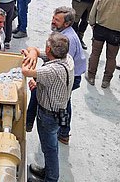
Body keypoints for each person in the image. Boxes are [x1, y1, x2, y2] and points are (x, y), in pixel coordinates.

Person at [25, 7, 86, 145]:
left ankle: (60, 132)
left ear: (67, 24)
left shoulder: (67, 40)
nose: (53, 21)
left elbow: (57, 66)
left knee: (60, 103)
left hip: (69, 77)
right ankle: (62, 132)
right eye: (53, 18)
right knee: (64, 103)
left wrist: (37, 80)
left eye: (57, 20)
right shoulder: (62, 34)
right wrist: (34, 52)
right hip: (68, 74)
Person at [22, 33, 74, 182]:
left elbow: (26, 71)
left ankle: (51, 178)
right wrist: (32, 53)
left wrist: (27, 58)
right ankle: (48, 171)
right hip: (58, 112)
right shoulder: (66, 59)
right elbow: (36, 51)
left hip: (48, 115)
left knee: (49, 148)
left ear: (49, 48)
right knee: (51, 147)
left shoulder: (52, 70)